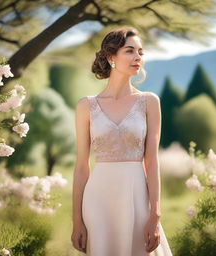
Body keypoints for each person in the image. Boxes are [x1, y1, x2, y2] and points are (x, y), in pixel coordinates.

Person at [71, 26, 173, 256]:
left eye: (140, 52)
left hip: (137, 198)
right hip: (97, 200)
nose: (138, 57)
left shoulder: (149, 102)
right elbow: (80, 167)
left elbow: (152, 162)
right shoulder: (86, 106)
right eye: (130, 51)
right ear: (111, 57)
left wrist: (155, 215)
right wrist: (76, 220)